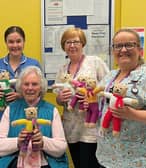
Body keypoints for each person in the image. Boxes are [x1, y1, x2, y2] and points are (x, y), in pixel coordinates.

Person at [96, 28, 146, 168]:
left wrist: (133, 114)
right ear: (113, 51)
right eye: (118, 46)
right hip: (106, 157)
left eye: (129, 45)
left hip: (137, 160)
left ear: (139, 50)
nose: (123, 50)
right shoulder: (110, 75)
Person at [55, 27, 109, 168]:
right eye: (68, 42)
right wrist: (60, 98)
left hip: (90, 126)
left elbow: (108, 88)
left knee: (89, 164)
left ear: (82, 43)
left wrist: (92, 96)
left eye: (76, 41)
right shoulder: (62, 69)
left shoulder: (95, 62)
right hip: (71, 126)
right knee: (78, 163)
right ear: (63, 46)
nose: (72, 45)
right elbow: (58, 98)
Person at [0, 66, 68, 168]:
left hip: (45, 163)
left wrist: (43, 142)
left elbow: (61, 147)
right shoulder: (11, 109)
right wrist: (17, 142)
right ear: (20, 87)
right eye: (26, 84)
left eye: (34, 84)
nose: (30, 88)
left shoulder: (51, 110)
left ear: (41, 87)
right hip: (15, 162)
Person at [0, 26, 41, 119]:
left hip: (27, 116)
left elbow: (41, 92)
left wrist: (22, 95)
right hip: (2, 116)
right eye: (11, 42)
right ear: (6, 43)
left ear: (24, 42)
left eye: (18, 41)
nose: (15, 45)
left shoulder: (34, 64)